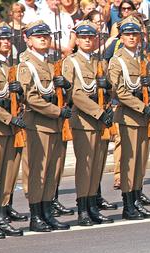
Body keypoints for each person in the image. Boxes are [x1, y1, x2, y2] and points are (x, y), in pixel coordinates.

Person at [17, 20, 73, 232]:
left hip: (55, 126)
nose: (43, 39)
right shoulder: (26, 66)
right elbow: (31, 98)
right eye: (38, 36)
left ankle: (48, 212)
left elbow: (57, 94)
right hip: (38, 125)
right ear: (29, 40)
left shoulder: (51, 66)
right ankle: (36, 215)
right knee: (37, 172)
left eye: (46, 36)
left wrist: (66, 88)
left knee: (53, 170)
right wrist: (57, 111)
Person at [63, 20, 115, 226]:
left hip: (100, 121)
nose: (87, 40)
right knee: (85, 166)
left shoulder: (99, 63)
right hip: (84, 120)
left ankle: (93, 204)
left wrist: (108, 87)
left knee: (97, 165)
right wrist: (98, 112)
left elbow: (110, 90)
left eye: (91, 37)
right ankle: (82, 208)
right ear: (77, 40)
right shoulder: (71, 62)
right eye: (83, 37)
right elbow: (75, 94)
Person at [108, 16, 150, 219]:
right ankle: (128, 205)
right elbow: (119, 91)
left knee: (140, 161)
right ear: (121, 36)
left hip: (143, 117)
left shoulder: (142, 58)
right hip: (128, 116)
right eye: (127, 34)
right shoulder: (117, 60)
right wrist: (142, 107)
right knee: (129, 162)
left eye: (135, 34)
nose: (131, 37)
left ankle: (136, 199)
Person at [0, 23, 26, 238]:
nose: (2, 43)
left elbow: (13, 97)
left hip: (10, 127)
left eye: (5, 40)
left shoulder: (7, 67)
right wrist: (9, 118)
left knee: (8, 175)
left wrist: (19, 93)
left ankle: (1, 216)